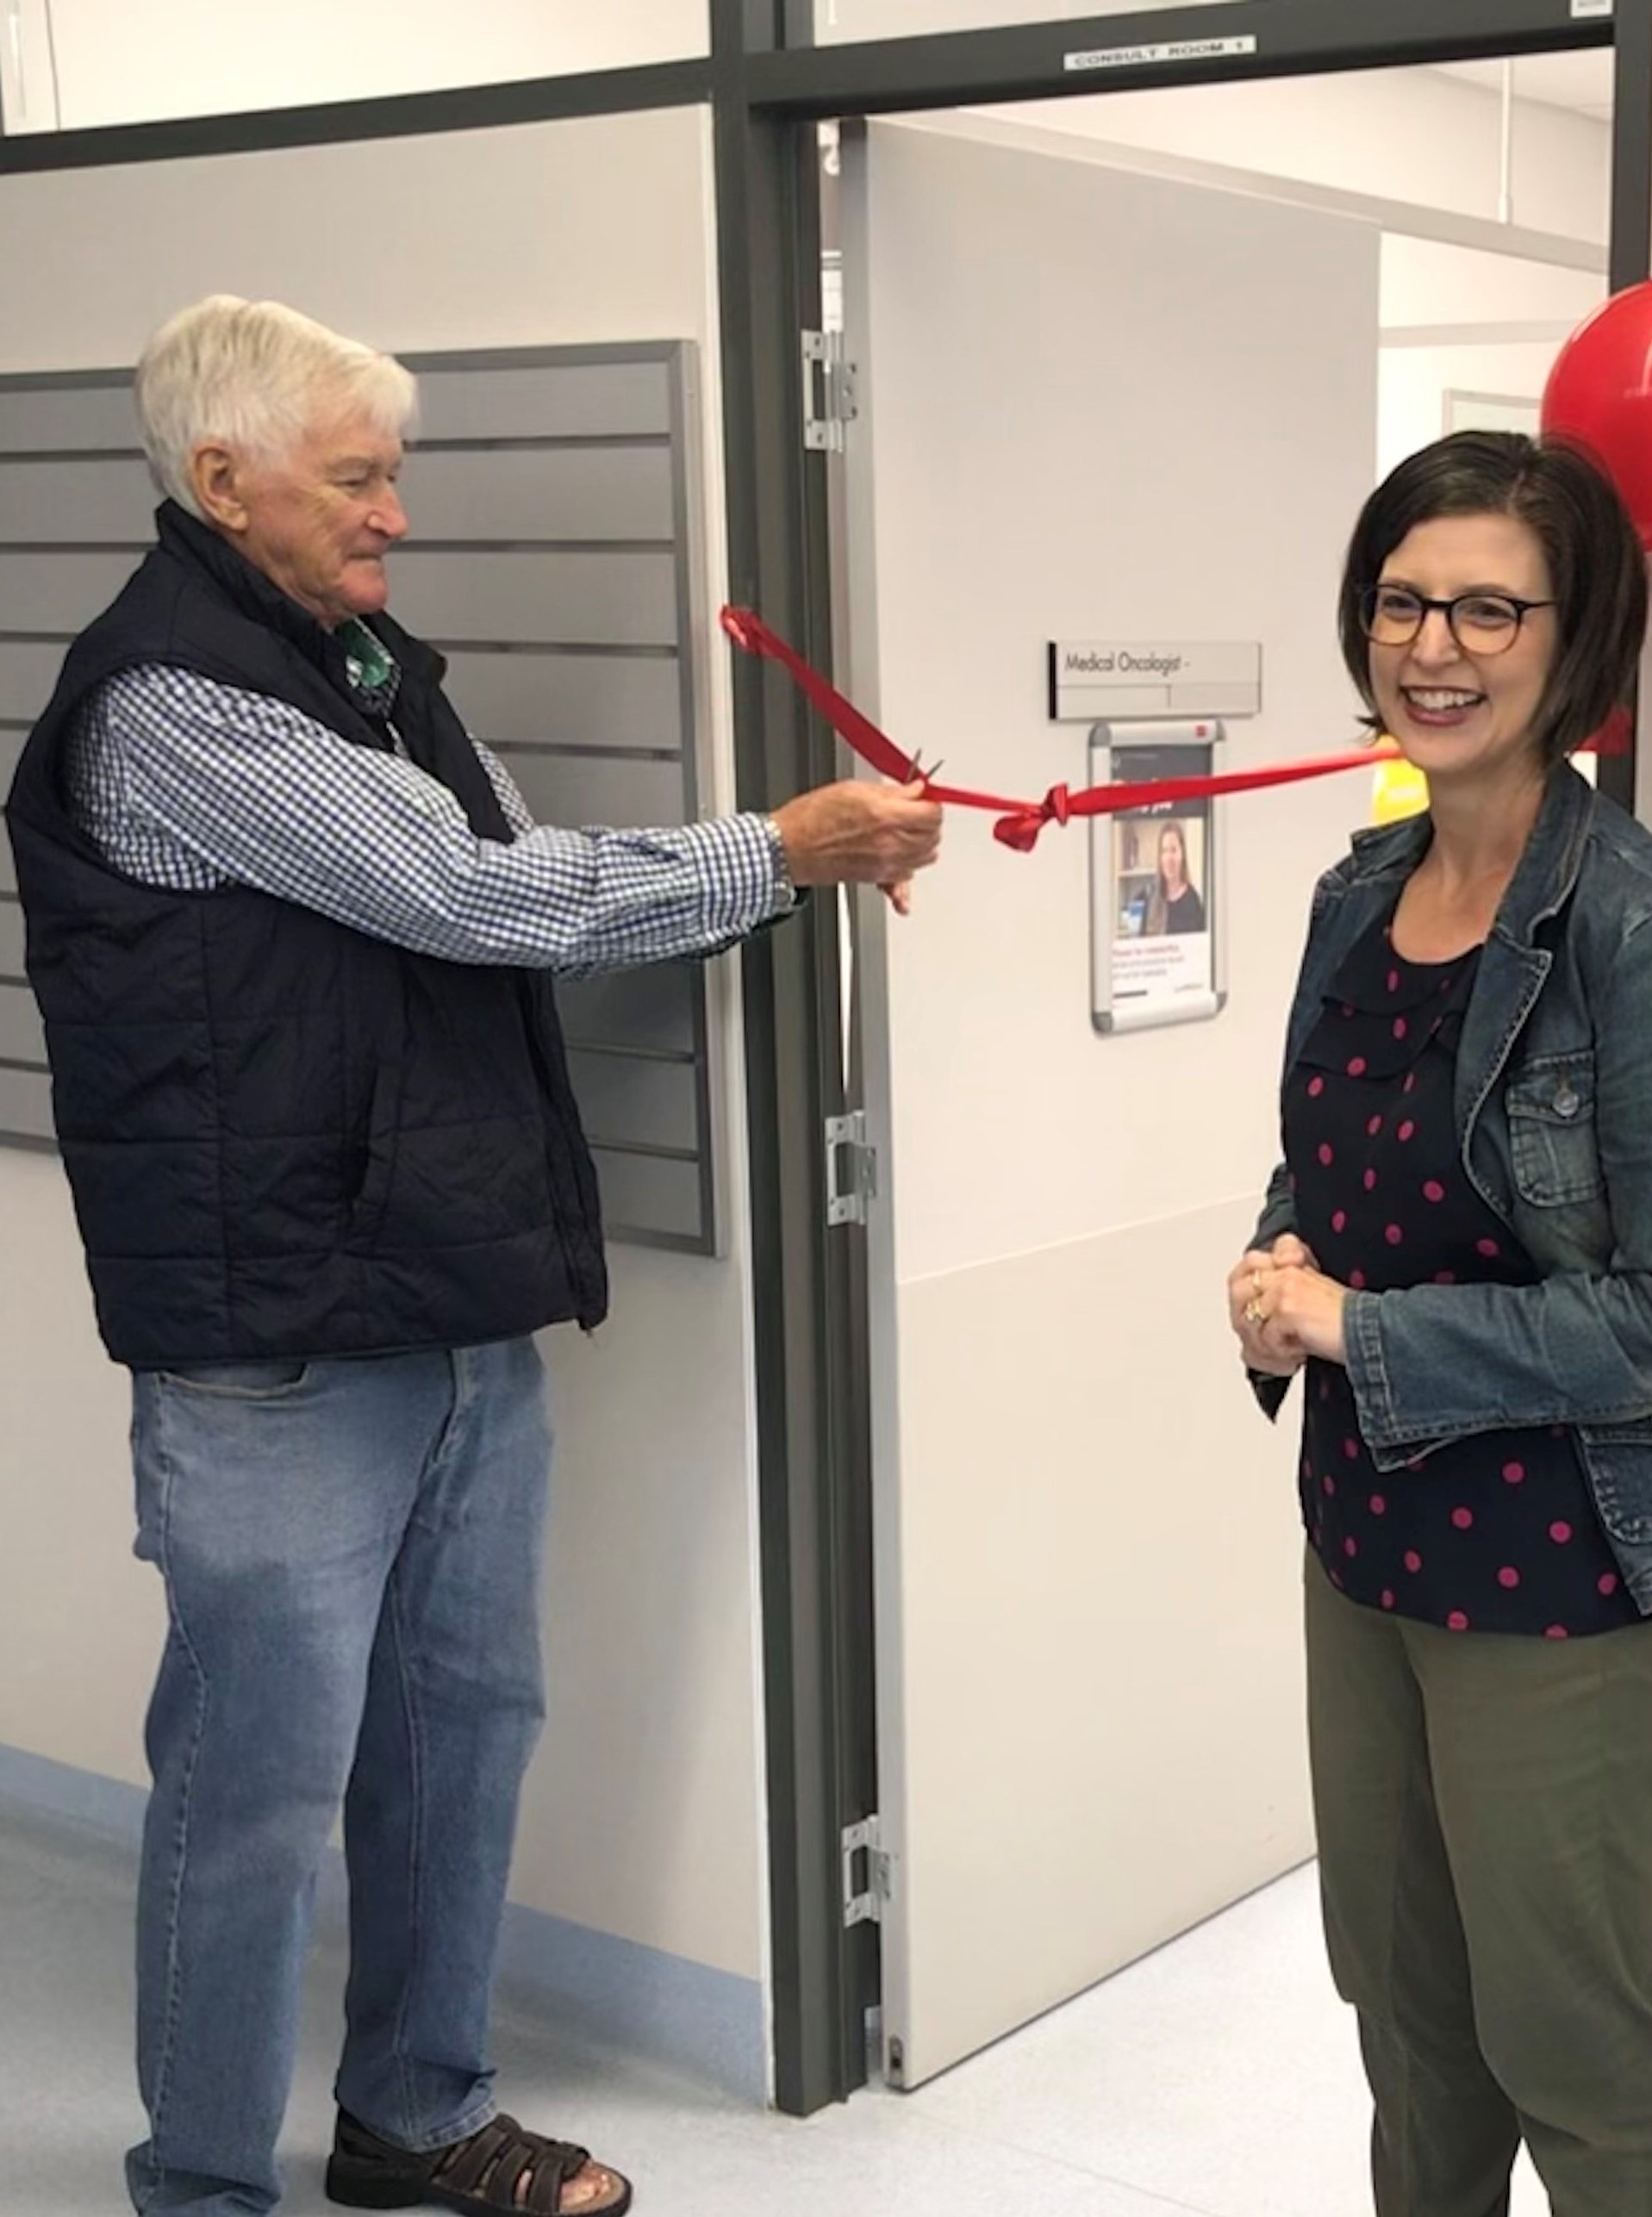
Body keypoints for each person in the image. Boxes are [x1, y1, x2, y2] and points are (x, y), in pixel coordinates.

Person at [0, 296, 942, 2217]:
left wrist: (746, 862)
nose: (395, 513)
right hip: (274, 1346)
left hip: (442, 1303)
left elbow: (508, 863)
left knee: (457, 1733)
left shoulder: (359, 661)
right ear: (224, 480)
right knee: (254, 1788)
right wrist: (780, 849)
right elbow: (472, 894)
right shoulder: (173, 704)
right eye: (359, 477)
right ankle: (199, 2181)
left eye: (391, 472)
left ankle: (416, 2112)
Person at [1223, 430, 1652, 2217]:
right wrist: (1274, 1268)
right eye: (1402, 600)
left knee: (1569, 2041)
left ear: (1575, 640)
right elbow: (1330, 1155)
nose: (1434, 646)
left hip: (1559, 1559)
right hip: (1364, 1535)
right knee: (1401, 2010)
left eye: (1487, 605)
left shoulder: (1641, 929)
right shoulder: (1352, 889)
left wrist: (1359, 1328)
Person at [1151, 816, 1206, 933]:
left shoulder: (1193, 900)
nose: (1169, 858)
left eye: (1173, 850)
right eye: (1164, 851)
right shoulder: (1150, 898)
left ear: (1182, 854)